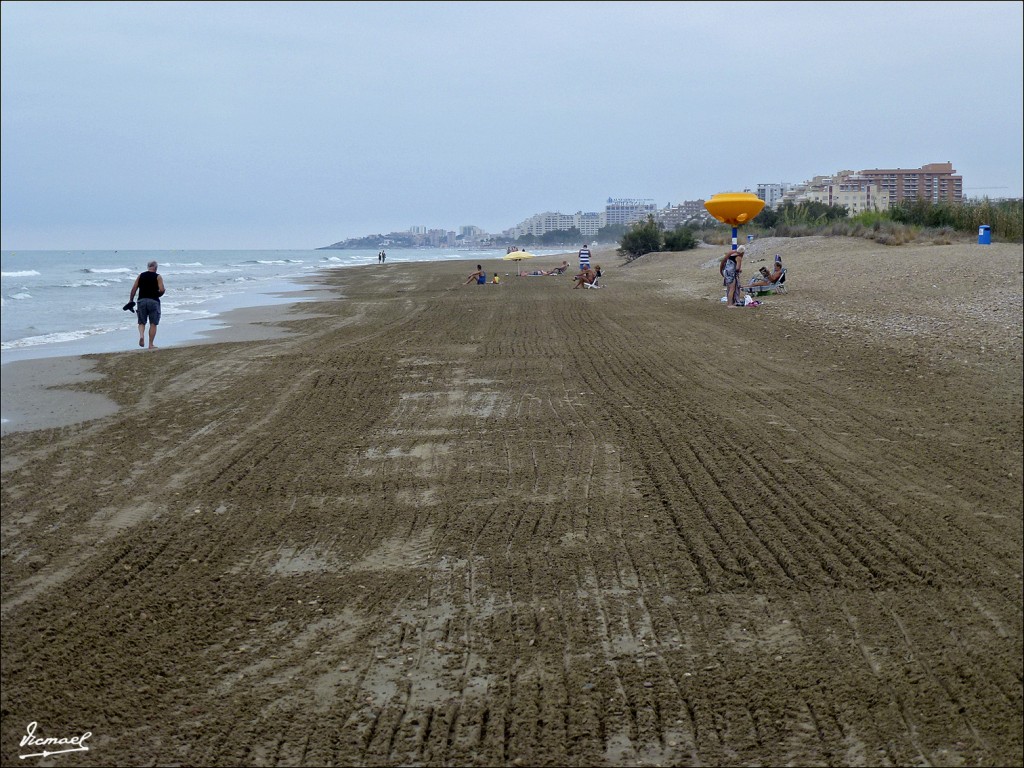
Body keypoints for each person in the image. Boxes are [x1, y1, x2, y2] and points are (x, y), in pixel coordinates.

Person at [129, 260, 165, 348]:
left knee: (141, 322)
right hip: (153, 301)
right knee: (153, 323)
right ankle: (150, 344)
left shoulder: (141, 275)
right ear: (156, 268)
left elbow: (134, 288)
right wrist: (159, 294)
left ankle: (141, 336)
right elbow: (162, 290)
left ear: (148, 267)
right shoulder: (158, 276)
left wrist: (131, 300)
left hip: (141, 300)